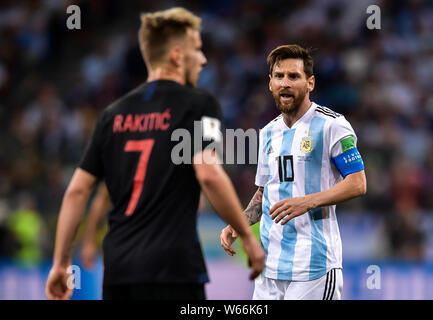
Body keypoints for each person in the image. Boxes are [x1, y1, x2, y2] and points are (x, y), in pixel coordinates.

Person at [46, 7, 265, 300]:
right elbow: (210, 174)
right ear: (176, 55)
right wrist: (248, 237)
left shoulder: (111, 115)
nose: (203, 59)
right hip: (174, 270)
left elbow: (76, 191)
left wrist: (61, 263)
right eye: (197, 50)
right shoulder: (200, 104)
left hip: (119, 271)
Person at [220, 44, 366, 300]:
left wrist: (307, 202)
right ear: (270, 83)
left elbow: (357, 183)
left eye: (293, 76)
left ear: (310, 83)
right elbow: (266, 190)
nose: (285, 83)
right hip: (270, 267)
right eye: (279, 76)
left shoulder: (332, 125)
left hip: (314, 268)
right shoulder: (268, 132)